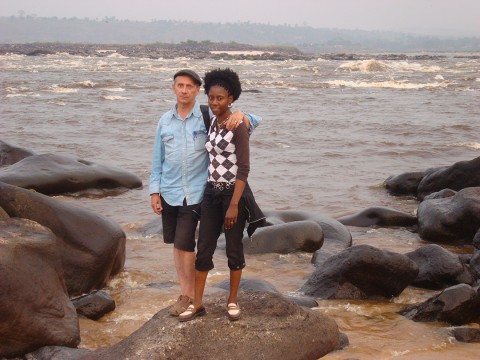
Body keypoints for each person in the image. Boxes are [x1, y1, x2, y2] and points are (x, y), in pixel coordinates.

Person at [149, 69, 261, 317]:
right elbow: (157, 159)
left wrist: (243, 115)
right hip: (173, 190)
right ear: (173, 88)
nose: (184, 90)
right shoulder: (166, 121)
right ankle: (189, 296)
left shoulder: (207, 115)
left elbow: (252, 123)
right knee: (181, 246)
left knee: (192, 243)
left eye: (190, 86)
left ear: (196, 90)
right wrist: (154, 191)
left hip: (202, 192)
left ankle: (201, 298)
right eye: (180, 85)